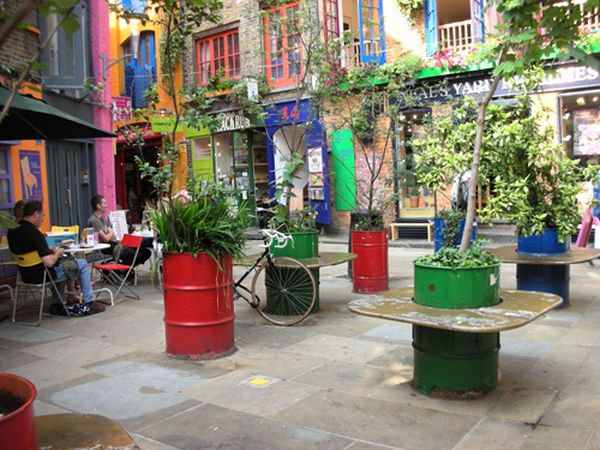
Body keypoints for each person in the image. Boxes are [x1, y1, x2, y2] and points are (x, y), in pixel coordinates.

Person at [7, 200, 104, 315]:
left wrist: (49, 249)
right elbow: (49, 262)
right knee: (80, 263)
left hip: (25, 275)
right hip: (43, 275)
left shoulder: (12, 232)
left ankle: (57, 304)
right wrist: (58, 252)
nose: (42, 219)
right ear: (35, 214)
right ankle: (89, 302)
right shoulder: (34, 233)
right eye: (42, 215)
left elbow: (29, 249)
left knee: (63, 265)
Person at [88, 194, 151, 267]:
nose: (106, 205)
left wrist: (111, 233)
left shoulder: (102, 219)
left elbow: (112, 235)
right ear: (98, 206)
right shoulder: (94, 220)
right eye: (104, 203)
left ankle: (125, 269)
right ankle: (121, 268)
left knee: (145, 251)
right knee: (133, 253)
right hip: (108, 246)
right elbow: (106, 238)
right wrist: (111, 233)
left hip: (115, 243)